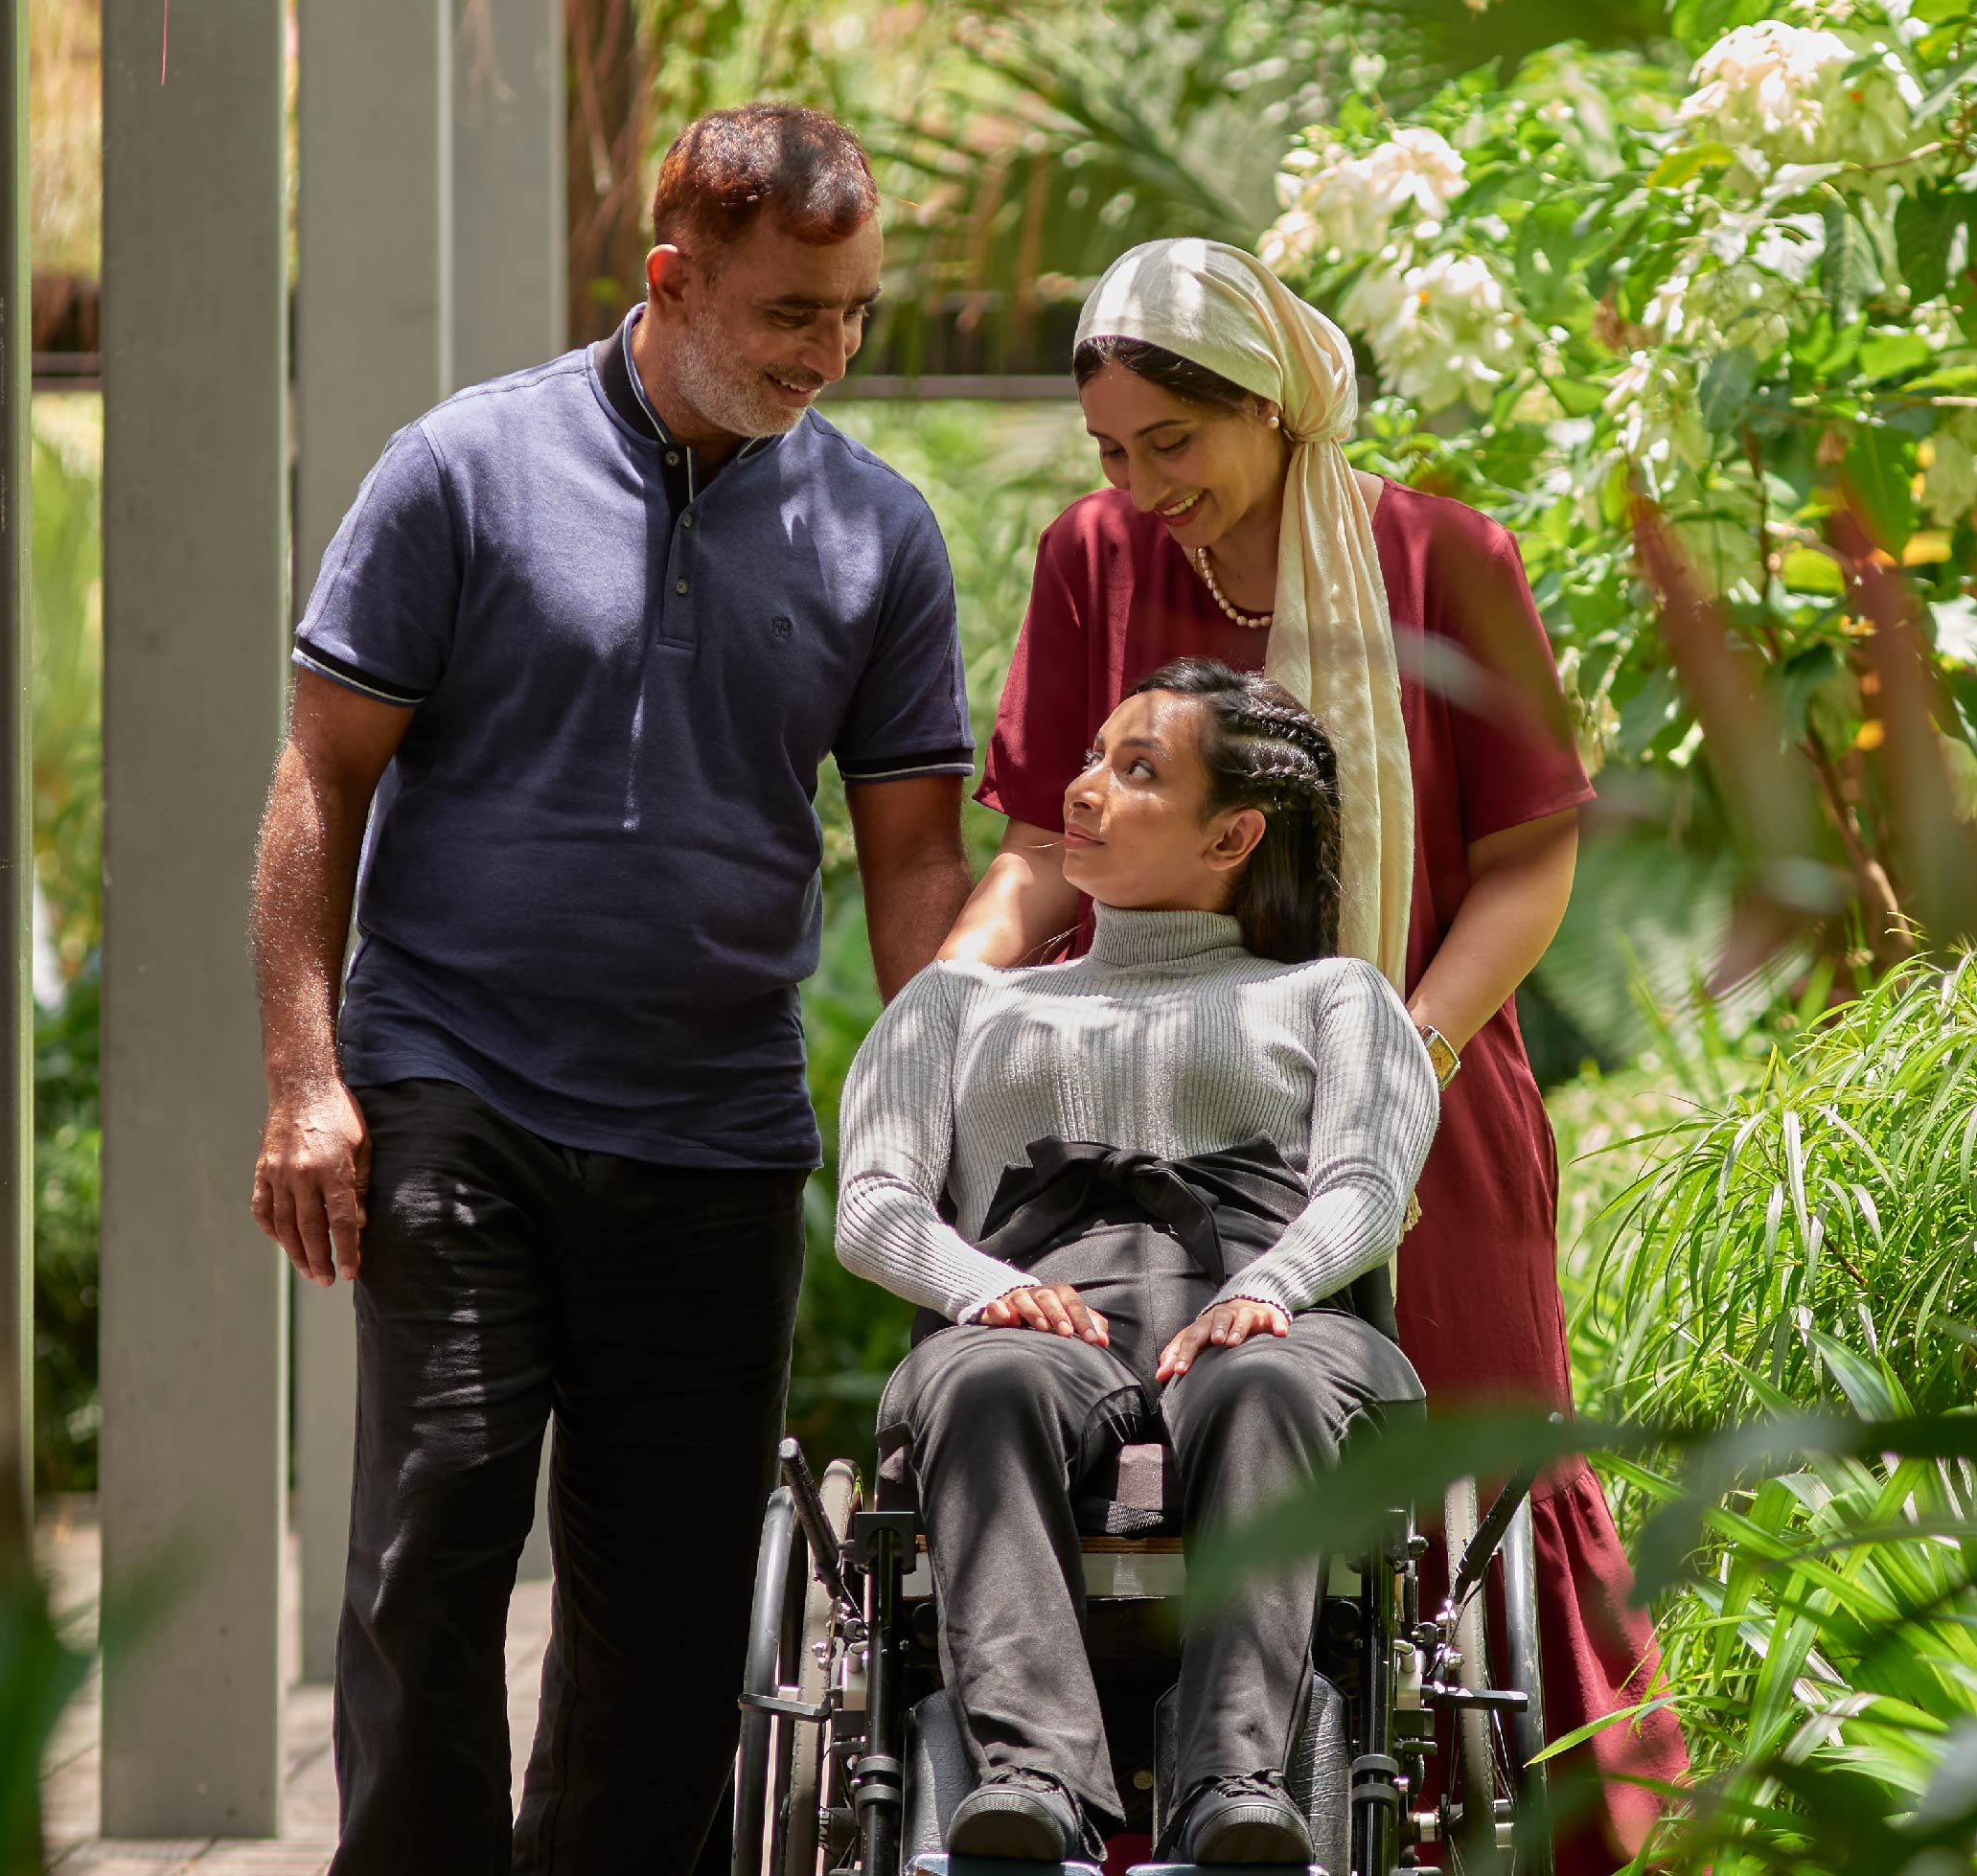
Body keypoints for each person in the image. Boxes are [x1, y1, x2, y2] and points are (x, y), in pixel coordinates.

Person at [249, 103, 974, 1872]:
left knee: (666, 1620)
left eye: (858, 312)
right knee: (433, 1548)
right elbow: (320, 776)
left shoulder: (883, 534)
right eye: (796, 312)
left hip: (718, 1134)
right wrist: (304, 1078)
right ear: (672, 276)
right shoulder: (463, 470)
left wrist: (945, 1130)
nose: (832, 352)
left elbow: (914, 871)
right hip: (458, 1094)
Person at [939, 236, 1690, 1871]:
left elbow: (1528, 859)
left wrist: (1393, 1055)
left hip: (1427, 1082)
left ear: (1273, 404)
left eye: (1174, 445)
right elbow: (1042, 851)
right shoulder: (1090, 562)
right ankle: (1157, 1809)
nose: (1144, 487)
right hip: (1140, 1101)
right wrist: (956, 990)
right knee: (1140, 1439)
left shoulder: (1445, 560)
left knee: (1464, 1503)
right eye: (1114, 452)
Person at [841, 659, 1436, 1868]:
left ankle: (1233, 1784)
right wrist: (977, 1287)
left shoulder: (1336, 996)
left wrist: (1267, 1286)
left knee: (1263, 1383)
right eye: (1090, 757)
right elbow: (872, 1205)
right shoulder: (956, 1006)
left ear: (1232, 832)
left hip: (1271, 1307)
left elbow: (1367, 1186)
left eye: (1136, 768)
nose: (1083, 789)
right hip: (1032, 1307)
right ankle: (1027, 1781)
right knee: (980, 1379)